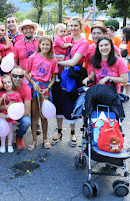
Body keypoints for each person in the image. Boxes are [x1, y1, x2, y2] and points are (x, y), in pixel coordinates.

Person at [54, 16, 89, 147]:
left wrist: (56, 62)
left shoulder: (84, 43)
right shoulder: (67, 39)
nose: (73, 28)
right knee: (59, 103)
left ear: (80, 27)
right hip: (59, 77)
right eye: (71, 26)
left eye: (75, 26)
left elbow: (74, 61)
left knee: (70, 104)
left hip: (72, 77)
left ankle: (72, 132)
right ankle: (59, 131)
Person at [25, 36, 58, 150]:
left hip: (44, 89)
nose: (45, 47)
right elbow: (27, 73)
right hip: (34, 87)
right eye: (43, 44)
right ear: (39, 45)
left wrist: (48, 88)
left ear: (50, 46)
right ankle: (34, 140)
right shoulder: (33, 57)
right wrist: (33, 83)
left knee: (44, 116)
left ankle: (45, 139)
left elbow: (53, 78)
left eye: (47, 45)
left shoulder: (53, 60)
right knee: (34, 116)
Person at [0, 66, 32, 150]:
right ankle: (2, 134)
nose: (17, 78)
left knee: (26, 121)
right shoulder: (3, 86)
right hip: (2, 113)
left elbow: (26, 112)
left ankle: (19, 137)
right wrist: (6, 108)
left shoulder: (26, 89)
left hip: (17, 114)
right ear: (10, 76)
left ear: (24, 78)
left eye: (20, 76)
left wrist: (8, 116)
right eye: (15, 76)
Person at [0, 75, 23, 153]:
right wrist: (1, 98)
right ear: (2, 85)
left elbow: (20, 106)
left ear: (12, 83)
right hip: (2, 116)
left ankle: (9, 145)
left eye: (9, 82)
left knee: (10, 131)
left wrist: (12, 114)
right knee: (3, 131)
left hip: (11, 116)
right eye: (4, 83)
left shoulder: (16, 94)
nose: (7, 84)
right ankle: (3, 145)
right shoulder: (1, 93)